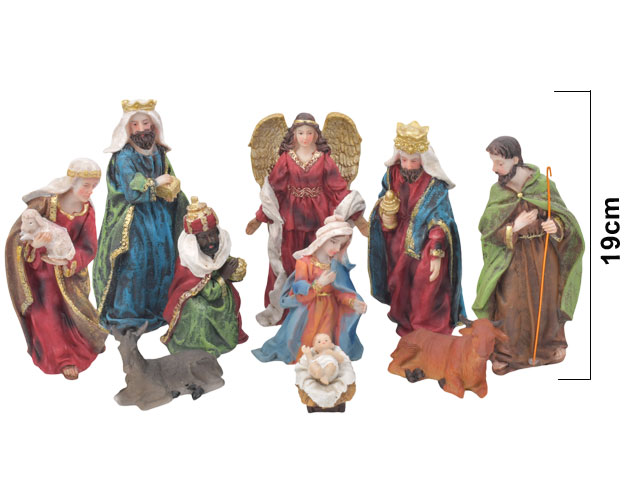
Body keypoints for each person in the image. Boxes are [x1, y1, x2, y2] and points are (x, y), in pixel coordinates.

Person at [472, 136, 584, 375]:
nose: (494, 169)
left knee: (547, 300)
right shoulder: (498, 191)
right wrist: (515, 227)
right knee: (509, 303)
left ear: (515, 160)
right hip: (513, 258)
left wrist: (556, 226)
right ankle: (505, 353)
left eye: (499, 163)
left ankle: (549, 346)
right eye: (492, 162)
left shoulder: (543, 184)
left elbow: (564, 218)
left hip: (544, 255)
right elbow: (488, 229)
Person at [246, 112, 366, 326]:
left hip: (318, 217)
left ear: (316, 135)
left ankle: (319, 307)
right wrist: (259, 217)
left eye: (309, 133)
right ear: (293, 135)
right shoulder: (286, 159)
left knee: (319, 259)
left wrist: (358, 218)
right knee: (289, 259)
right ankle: (289, 308)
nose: (305, 137)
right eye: (300, 133)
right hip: (291, 217)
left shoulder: (324, 159)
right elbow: (274, 192)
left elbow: (338, 189)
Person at [6, 158, 108, 379]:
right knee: (47, 315)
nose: (90, 191)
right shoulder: (44, 204)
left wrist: (70, 262)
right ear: (72, 182)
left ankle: (86, 343)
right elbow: (19, 235)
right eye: (86, 185)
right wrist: (35, 245)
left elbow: (89, 247)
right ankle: (63, 358)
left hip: (70, 273)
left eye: (94, 186)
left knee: (78, 312)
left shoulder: (87, 210)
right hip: (41, 277)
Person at [93, 99, 188, 333]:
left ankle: (158, 309)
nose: (141, 129)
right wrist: (155, 183)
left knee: (163, 260)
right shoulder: (124, 157)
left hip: (160, 218)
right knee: (135, 264)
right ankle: (128, 316)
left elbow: (170, 177)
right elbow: (131, 191)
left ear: (153, 125)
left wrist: (172, 191)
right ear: (127, 128)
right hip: (135, 221)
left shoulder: (159, 152)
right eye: (134, 125)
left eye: (145, 123)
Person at [369, 121, 465, 337]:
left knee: (426, 286)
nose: (409, 166)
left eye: (414, 161)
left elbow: (441, 219)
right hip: (397, 239)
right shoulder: (392, 174)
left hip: (426, 243)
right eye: (404, 160)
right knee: (399, 284)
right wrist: (385, 211)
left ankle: (428, 331)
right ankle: (407, 325)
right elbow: (383, 198)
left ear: (423, 160)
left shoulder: (434, 184)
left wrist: (437, 251)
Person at [252, 215, 367, 364]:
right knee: (306, 345)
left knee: (325, 345)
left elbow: (340, 292)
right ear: (323, 239)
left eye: (341, 244)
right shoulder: (304, 263)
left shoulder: (336, 266)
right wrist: (319, 284)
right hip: (306, 314)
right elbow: (300, 294)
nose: (337, 248)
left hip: (329, 313)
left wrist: (352, 303)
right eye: (334, 242)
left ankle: (325, 364)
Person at [161, 197, 248, 357]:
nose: (211, 241)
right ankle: (199, 347)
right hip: (195, 300)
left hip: (218, 292)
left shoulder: (216, 248)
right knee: (200, 310)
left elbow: (219, 263)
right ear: (194, 241)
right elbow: (209, 293)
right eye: (203, 237)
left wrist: (236, 269)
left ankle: (222, 338)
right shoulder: (190, 260)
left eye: (213, 235)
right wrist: (224, 276)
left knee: (227, 303)